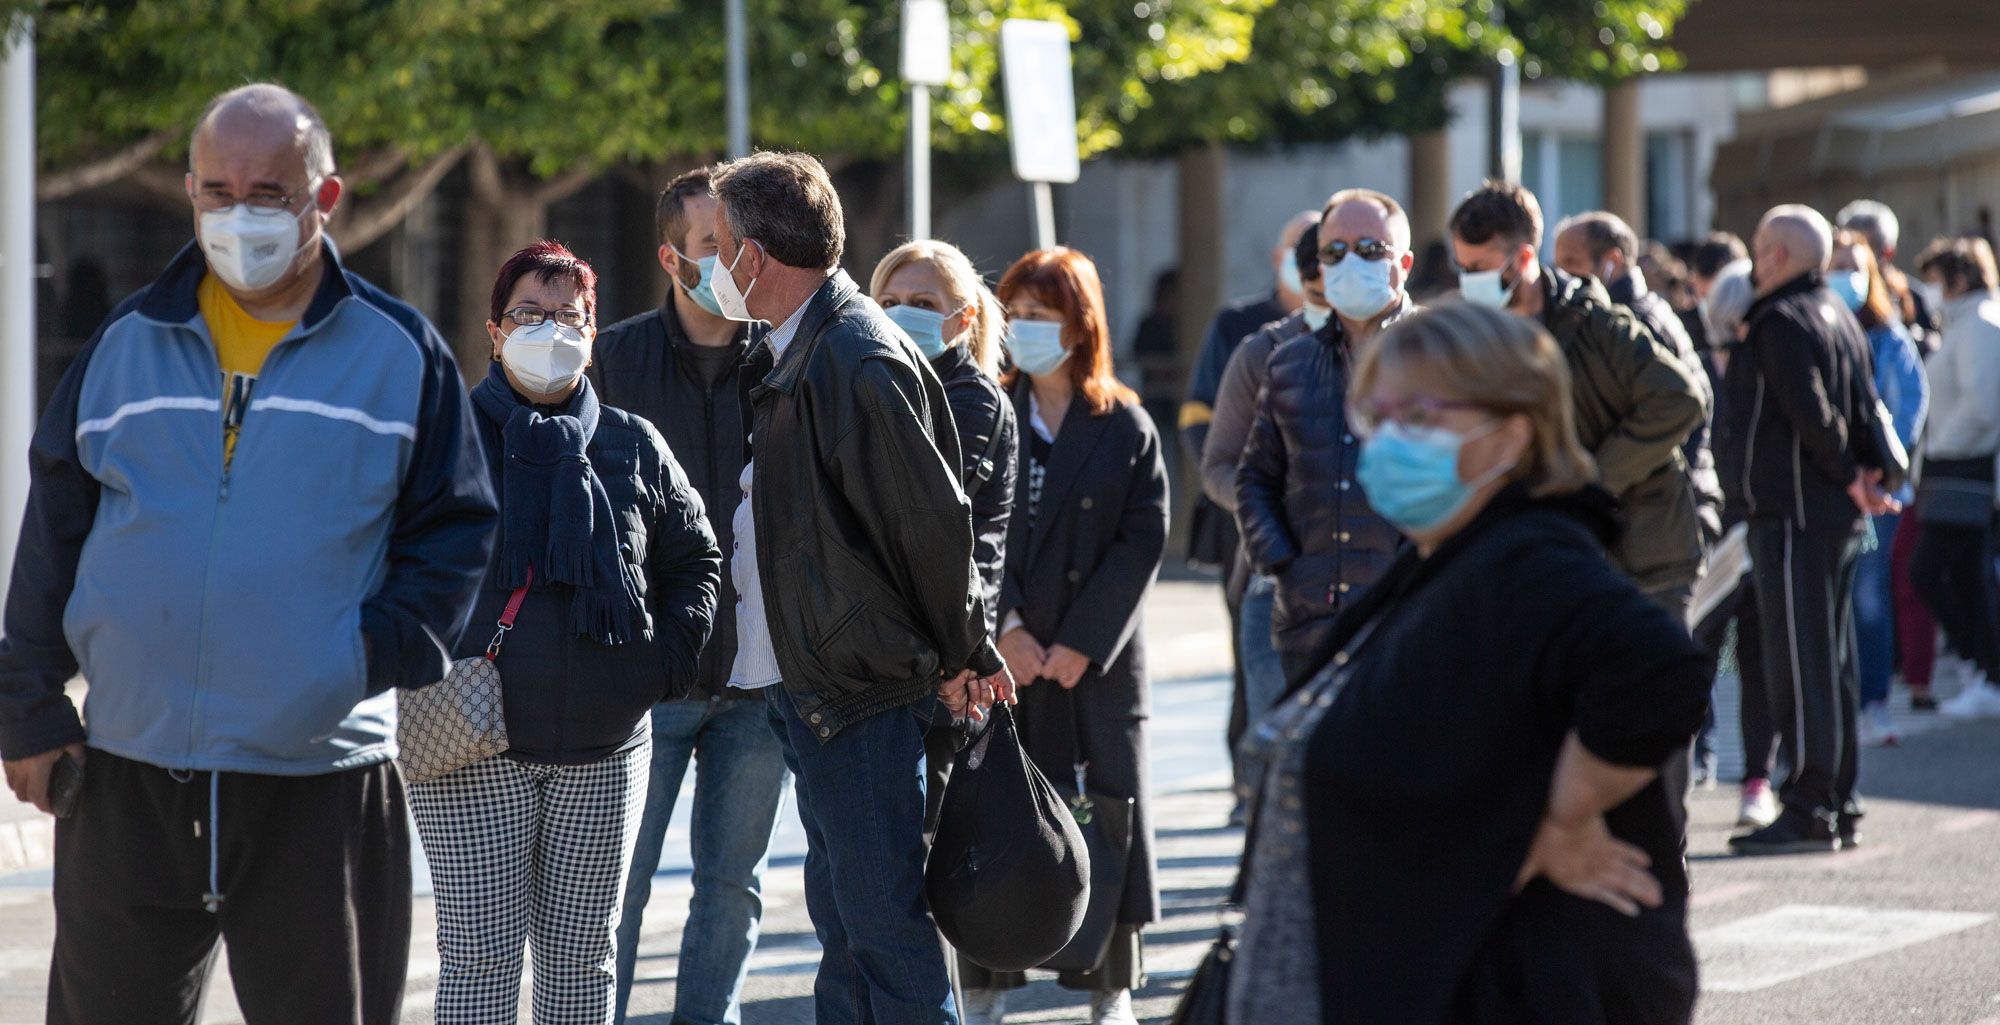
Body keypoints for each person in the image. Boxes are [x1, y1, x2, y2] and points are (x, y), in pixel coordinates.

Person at [0, 83, 497, 1025]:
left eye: (268, 192)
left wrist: (357, 658)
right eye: (218, 191)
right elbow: (54, 528)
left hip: (320, 782)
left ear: (327, 198)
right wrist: (26, 703)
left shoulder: (401, 355)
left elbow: (456, 534)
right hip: (128, 776)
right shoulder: (123, 345)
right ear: (188, 191)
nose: (239, 214)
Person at [1230, 302, 1709, 1025]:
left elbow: (1660, 670)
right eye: (1377, 412)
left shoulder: (1527, 560)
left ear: (1511, 435)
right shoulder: (1438, 564)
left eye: (1420, 414)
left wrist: (1545, 822)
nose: (1388, 439)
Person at [707, 151, 1014, 1025]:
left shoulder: (854, 353)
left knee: (883, 929)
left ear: (755, 257)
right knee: (846, 927)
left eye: (723, 243)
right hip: (812, 682)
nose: (715, 262)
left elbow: (932, 527)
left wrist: (965, 651)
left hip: (861, 689)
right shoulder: (796, 345)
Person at [413, 241, 722, 1023]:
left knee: (584, 958)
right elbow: (386, 561)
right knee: (480, 957)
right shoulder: (444, 443)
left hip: (606, 748)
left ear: (593, 332)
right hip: (470, 744)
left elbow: (698, 556)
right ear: (493, 329)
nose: (549, 329)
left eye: (568, 315)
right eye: (528, 313)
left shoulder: (631, 442)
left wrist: (665, 663)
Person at [592, 166, 786, 1025]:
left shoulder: (786, 354)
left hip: (760, 676)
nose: (734, 262)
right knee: (615, 893)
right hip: (645, 681)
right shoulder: (614, 359)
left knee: (732, 889)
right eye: (714, 247)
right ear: (672, 258)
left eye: (742, 244)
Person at [971, 246, 1168, 1025]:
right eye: (1013, 315)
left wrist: (1085, 641)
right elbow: (973, 533)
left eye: (1040, 317)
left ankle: (1109, 989)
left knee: (1109, 812)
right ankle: (984, 986)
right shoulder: (988, 409)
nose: (1023, 331)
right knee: (997, 820)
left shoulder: (1123, 423)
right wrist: (1006, 626)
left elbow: (1143, 537)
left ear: (1079, 324)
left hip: (1098, 664)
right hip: (1007, 658)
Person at [1717, 205, 1899, 855]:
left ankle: (1809, 802)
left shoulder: (1779, 320)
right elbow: (1860, 407)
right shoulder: (1837, 312)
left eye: (1761, 247)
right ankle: (1838, 797)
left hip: (1794, 513)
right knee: (1834, 660)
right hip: (1831, 514)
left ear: (1776, 256)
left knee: (1799, 661)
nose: (1754, 259)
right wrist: (1864, 476)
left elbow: (1814, 412)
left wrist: (1849, 471)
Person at [1449, 181, 1708, 619]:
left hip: (1642, 558)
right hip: (1542, 562)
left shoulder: (1598, 324)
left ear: (1525, 258)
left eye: (1481, 268)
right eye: (1463, 268)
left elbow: (1680, 399)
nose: (1470, 282)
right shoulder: (1475, 341)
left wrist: (1592, 481)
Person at [870, 239, 1020, 832]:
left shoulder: (969, 399)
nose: (902, 312)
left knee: (911, 863)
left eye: (922, 301)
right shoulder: (884, 382)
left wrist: (964, 654)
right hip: (884, 659)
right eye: (888, 300)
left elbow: (930, 527)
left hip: (938, 662)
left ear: (964, 319)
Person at [1237, 189, 1415, 681]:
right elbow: (1254, 477)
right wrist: (1284, 563)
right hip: (1309, 626)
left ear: (1404, 263)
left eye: (1370, 249)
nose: (1350, 261)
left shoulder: (1442, 356)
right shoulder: (1289, 362)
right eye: (1334, 251)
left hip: (1409, 627)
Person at [1179, 211, 1317, 813]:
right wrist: (1253, 500)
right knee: (1253, 665)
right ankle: (1250, 788)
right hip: (1252, 537)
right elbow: (1201, 426)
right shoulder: (1245, 330)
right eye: (1302, 251)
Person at [1826, 230, 1929, 746]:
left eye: (1852, 265)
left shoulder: (1889, 336)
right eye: (1833, 264)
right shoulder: (1812, 327)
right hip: (1827, 490)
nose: (1843, 275)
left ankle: (1874, 704)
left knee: (1868, 599)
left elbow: (1910, 406)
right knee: (1829, 604)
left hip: (1878, 493)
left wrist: (1882, 469)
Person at [1911, 237, 2000, 718]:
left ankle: (1984, 666)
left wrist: (1940, 445)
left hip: (1963, 467)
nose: (1930, 291)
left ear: (1958, 281)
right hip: (1957, 464)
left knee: (1930, 571)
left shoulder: (1980, 327)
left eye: (1936, 281)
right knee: (1967, 576)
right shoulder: (1966, 325)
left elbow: (1982, 406)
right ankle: (1986, 672)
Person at [1839, 199, 1941, 354]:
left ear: (1888, 252)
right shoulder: (1834, 291)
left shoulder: (1911, 296)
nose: (1857, 257)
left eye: (1868, 247)